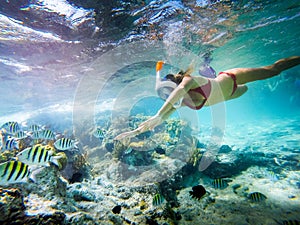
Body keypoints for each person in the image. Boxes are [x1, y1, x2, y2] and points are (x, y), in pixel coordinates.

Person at [115, 56, 300, 141]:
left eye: (166, 94)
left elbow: (178, 92)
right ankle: (207, 69)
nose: (166, 98)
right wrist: (135, 133)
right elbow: (158, 119)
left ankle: (207, 68)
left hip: (230, 78)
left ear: (173, 86)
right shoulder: (179, 102)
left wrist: (157, 114)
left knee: (273, 71)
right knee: (246, 89)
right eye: (164, 96)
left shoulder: (187, 81)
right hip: (231, 94)